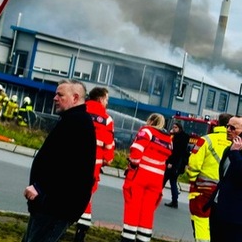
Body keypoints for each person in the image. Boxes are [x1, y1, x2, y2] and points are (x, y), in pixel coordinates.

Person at [22, 79, 95, 242]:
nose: (55, 98)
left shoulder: (78, 123)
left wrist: (39, 187)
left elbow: (68, 167)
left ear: (75, 98)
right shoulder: (72, 120)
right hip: (52, 204)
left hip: (56, 206)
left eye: (60, 95)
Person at [120, 113, 172, 242]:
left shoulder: (147, 131)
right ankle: (143, 238)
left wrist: (133, 163)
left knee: (133, 206)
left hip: (141, 175)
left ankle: (128, 238)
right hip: (157, 179)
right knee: (147, 211)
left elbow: (137, 149)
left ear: (150, 121)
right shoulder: (168, 139)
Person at [74, 87, 115, 242]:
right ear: (100, 98)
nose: (107, 103)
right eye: (106, 100)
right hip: (92, 167)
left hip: (71, 161)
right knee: (86, 198)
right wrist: (105, 160)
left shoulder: (78, 109)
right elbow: (109, 148)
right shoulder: (107, 119)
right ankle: (81, 232)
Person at [187, 113, 232, 242]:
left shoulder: (205, 140)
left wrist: (193, 178)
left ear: (217, 123)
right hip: (225, 192)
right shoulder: (235, 143)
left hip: (203, 189)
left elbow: (193, 164)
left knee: (201, 222)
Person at [208, 116, 242, 241]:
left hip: (235, 216)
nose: (228, 130)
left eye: (233, 128)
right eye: (227, 126)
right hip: (219, 209)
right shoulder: (229, 149)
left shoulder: (234, 152)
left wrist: (235, 154)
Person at [163, 121, 189, 208]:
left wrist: (171, 162)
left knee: (165, 180)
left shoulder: (178, 138)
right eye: (173, 127)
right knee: (172, 181)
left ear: (179, 128)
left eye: (175, 127)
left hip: (174, 164)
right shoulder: (181, 137)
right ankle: (175, 200)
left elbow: (176, 152)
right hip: (178, 165)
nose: (174, 129)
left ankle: (155, 196)